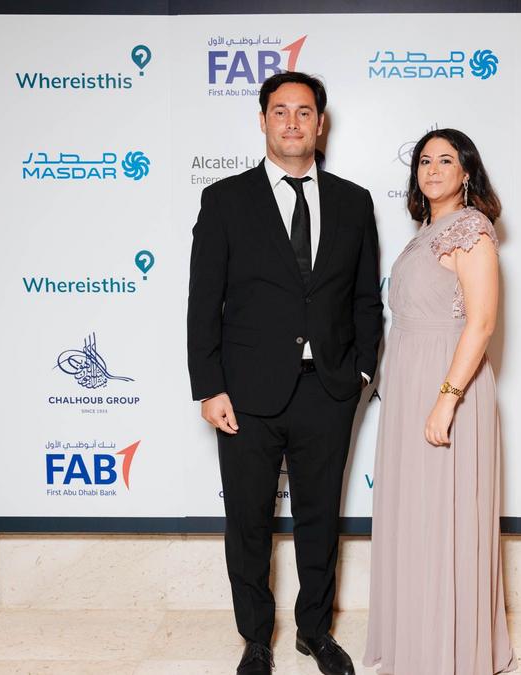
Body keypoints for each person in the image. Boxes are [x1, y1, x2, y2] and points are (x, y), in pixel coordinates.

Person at [187, 71, 383, 675]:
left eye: (304, 112)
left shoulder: (354, 201)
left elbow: (365, 299)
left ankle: (315, 632)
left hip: (328, 388)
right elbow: (204, 301)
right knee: (248, 521)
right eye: (280, 111)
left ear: (320, 124)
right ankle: (255, 638)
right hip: (246, 393)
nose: (292, 122)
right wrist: (209, 387)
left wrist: (361, 373)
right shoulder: (225, 199)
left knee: (320, 519)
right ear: (263, 121)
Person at [363, 129, 517, 675]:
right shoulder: (426, 231)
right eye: (424, 161)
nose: (432, 169)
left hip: (449, 385)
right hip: (409, 382)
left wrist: (446, 400)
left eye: (445, 160)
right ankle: (416, 642)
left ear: (466, 172)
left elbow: (482, 324)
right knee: (416, 515)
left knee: (445, 516)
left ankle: (449, 652)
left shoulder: (472, 230)